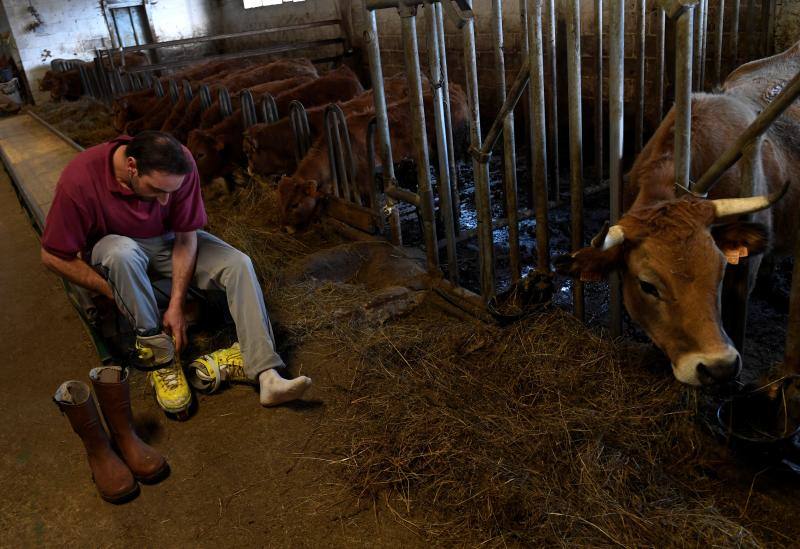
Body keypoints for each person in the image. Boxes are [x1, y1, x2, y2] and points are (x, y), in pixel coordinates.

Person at [41, 131, 311, 414]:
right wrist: (112, 292)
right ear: (131, 167)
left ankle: (267, 374)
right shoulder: (80, 179)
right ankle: (160, 358)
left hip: (168, 241)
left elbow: (185, 236)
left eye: (170, 192)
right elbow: (51, 256)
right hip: (115, 248)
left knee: (238, 263)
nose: (163, 202)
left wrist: (176, 305)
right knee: (121, 252)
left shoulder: (180, 162)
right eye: (157, 190)